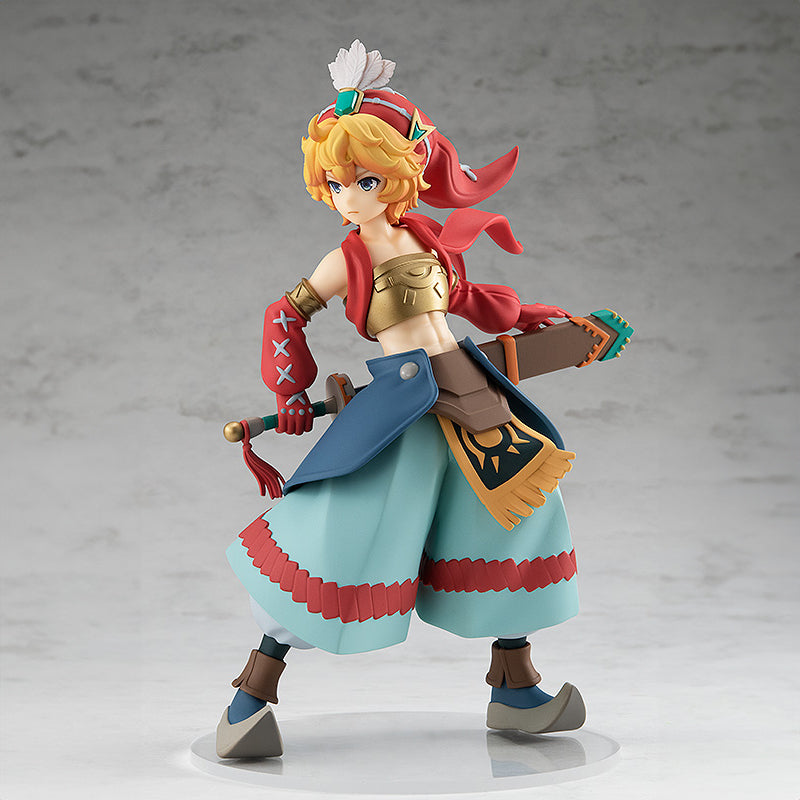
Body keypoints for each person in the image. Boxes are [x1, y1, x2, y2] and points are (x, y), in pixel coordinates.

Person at [216, 40, 586, 759]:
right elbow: (284, 314)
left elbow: (466, 300)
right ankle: (250, 696)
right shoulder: (346, 257)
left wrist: (532, 318)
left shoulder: (424, 236)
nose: (345, 195)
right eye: (334, 182)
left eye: (361, 179)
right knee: (340, 536)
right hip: (404, 413)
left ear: (400, 173)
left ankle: (515, 689)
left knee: (520, 520)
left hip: (475, 399)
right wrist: (290, 390)